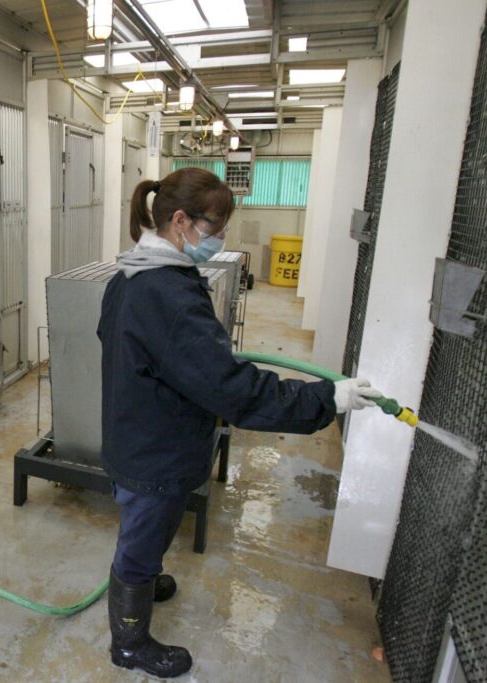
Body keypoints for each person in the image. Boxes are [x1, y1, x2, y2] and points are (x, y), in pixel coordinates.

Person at [97, 168, 382, 678]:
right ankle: (130, 643)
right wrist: (326, 398)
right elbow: (236, 392)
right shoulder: (168, 295)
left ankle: (144, 581)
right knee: (141, 542)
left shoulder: (130, 274)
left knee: (147, 530)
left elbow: (120, 343)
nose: (222, 237)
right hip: (156, 453)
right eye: (215, 226)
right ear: (180, 221)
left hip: (132, 435)